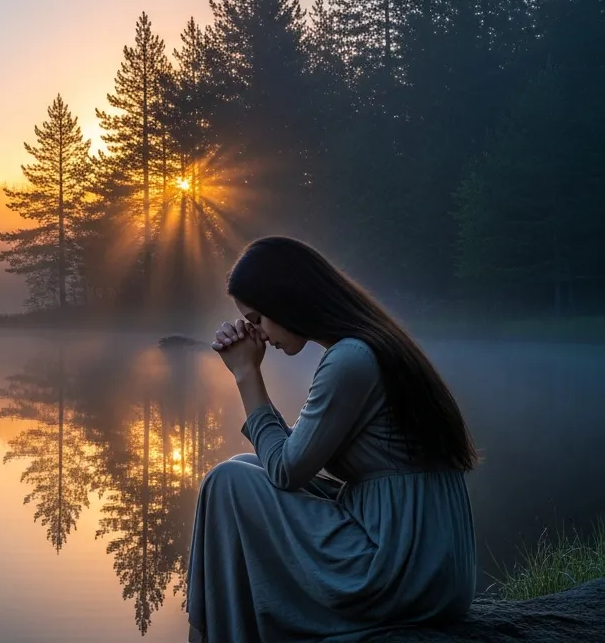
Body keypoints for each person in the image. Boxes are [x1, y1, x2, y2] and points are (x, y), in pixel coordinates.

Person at [186, 236, 478, 642]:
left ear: (286, 300)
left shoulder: (350, 359)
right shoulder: (367, 344)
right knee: (242, 468)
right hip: (425, 556)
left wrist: (246, 376)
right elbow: (290, 460)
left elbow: (287, 471)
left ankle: (217, 634)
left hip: (399, 565)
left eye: (257, 319)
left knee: (227, 482)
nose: (260, 334)